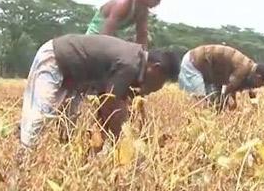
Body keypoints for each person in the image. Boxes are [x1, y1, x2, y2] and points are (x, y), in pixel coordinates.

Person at [19, 34, 180, 148]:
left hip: (76, 79)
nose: (158, 87)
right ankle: (23, 158)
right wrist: (120, 143)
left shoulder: (136, 63)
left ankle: (61, 159)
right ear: (156, 69)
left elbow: (115, 105)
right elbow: (109, 104)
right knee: (41, 113)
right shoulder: (131, 65)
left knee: (68, 124)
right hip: (56, 58)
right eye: (162, 81)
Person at [85, 0, 171, 48]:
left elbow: (142, 36)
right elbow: (105, 34)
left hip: (111, 42)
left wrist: (142, 56)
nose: (158, 2)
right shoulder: (124, 2)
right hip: (94, 42)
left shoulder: (143, 11)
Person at [178, 45, 264, 110]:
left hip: (208, 71)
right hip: (194, 62)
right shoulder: (243, 68)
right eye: (261, 84)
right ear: (258, 77)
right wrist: (228, 103)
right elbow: (228, 89)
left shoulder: (250, 68)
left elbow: (248, 91)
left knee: (212, 102)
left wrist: (255, 107)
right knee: (200, 102)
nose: (259, 87)